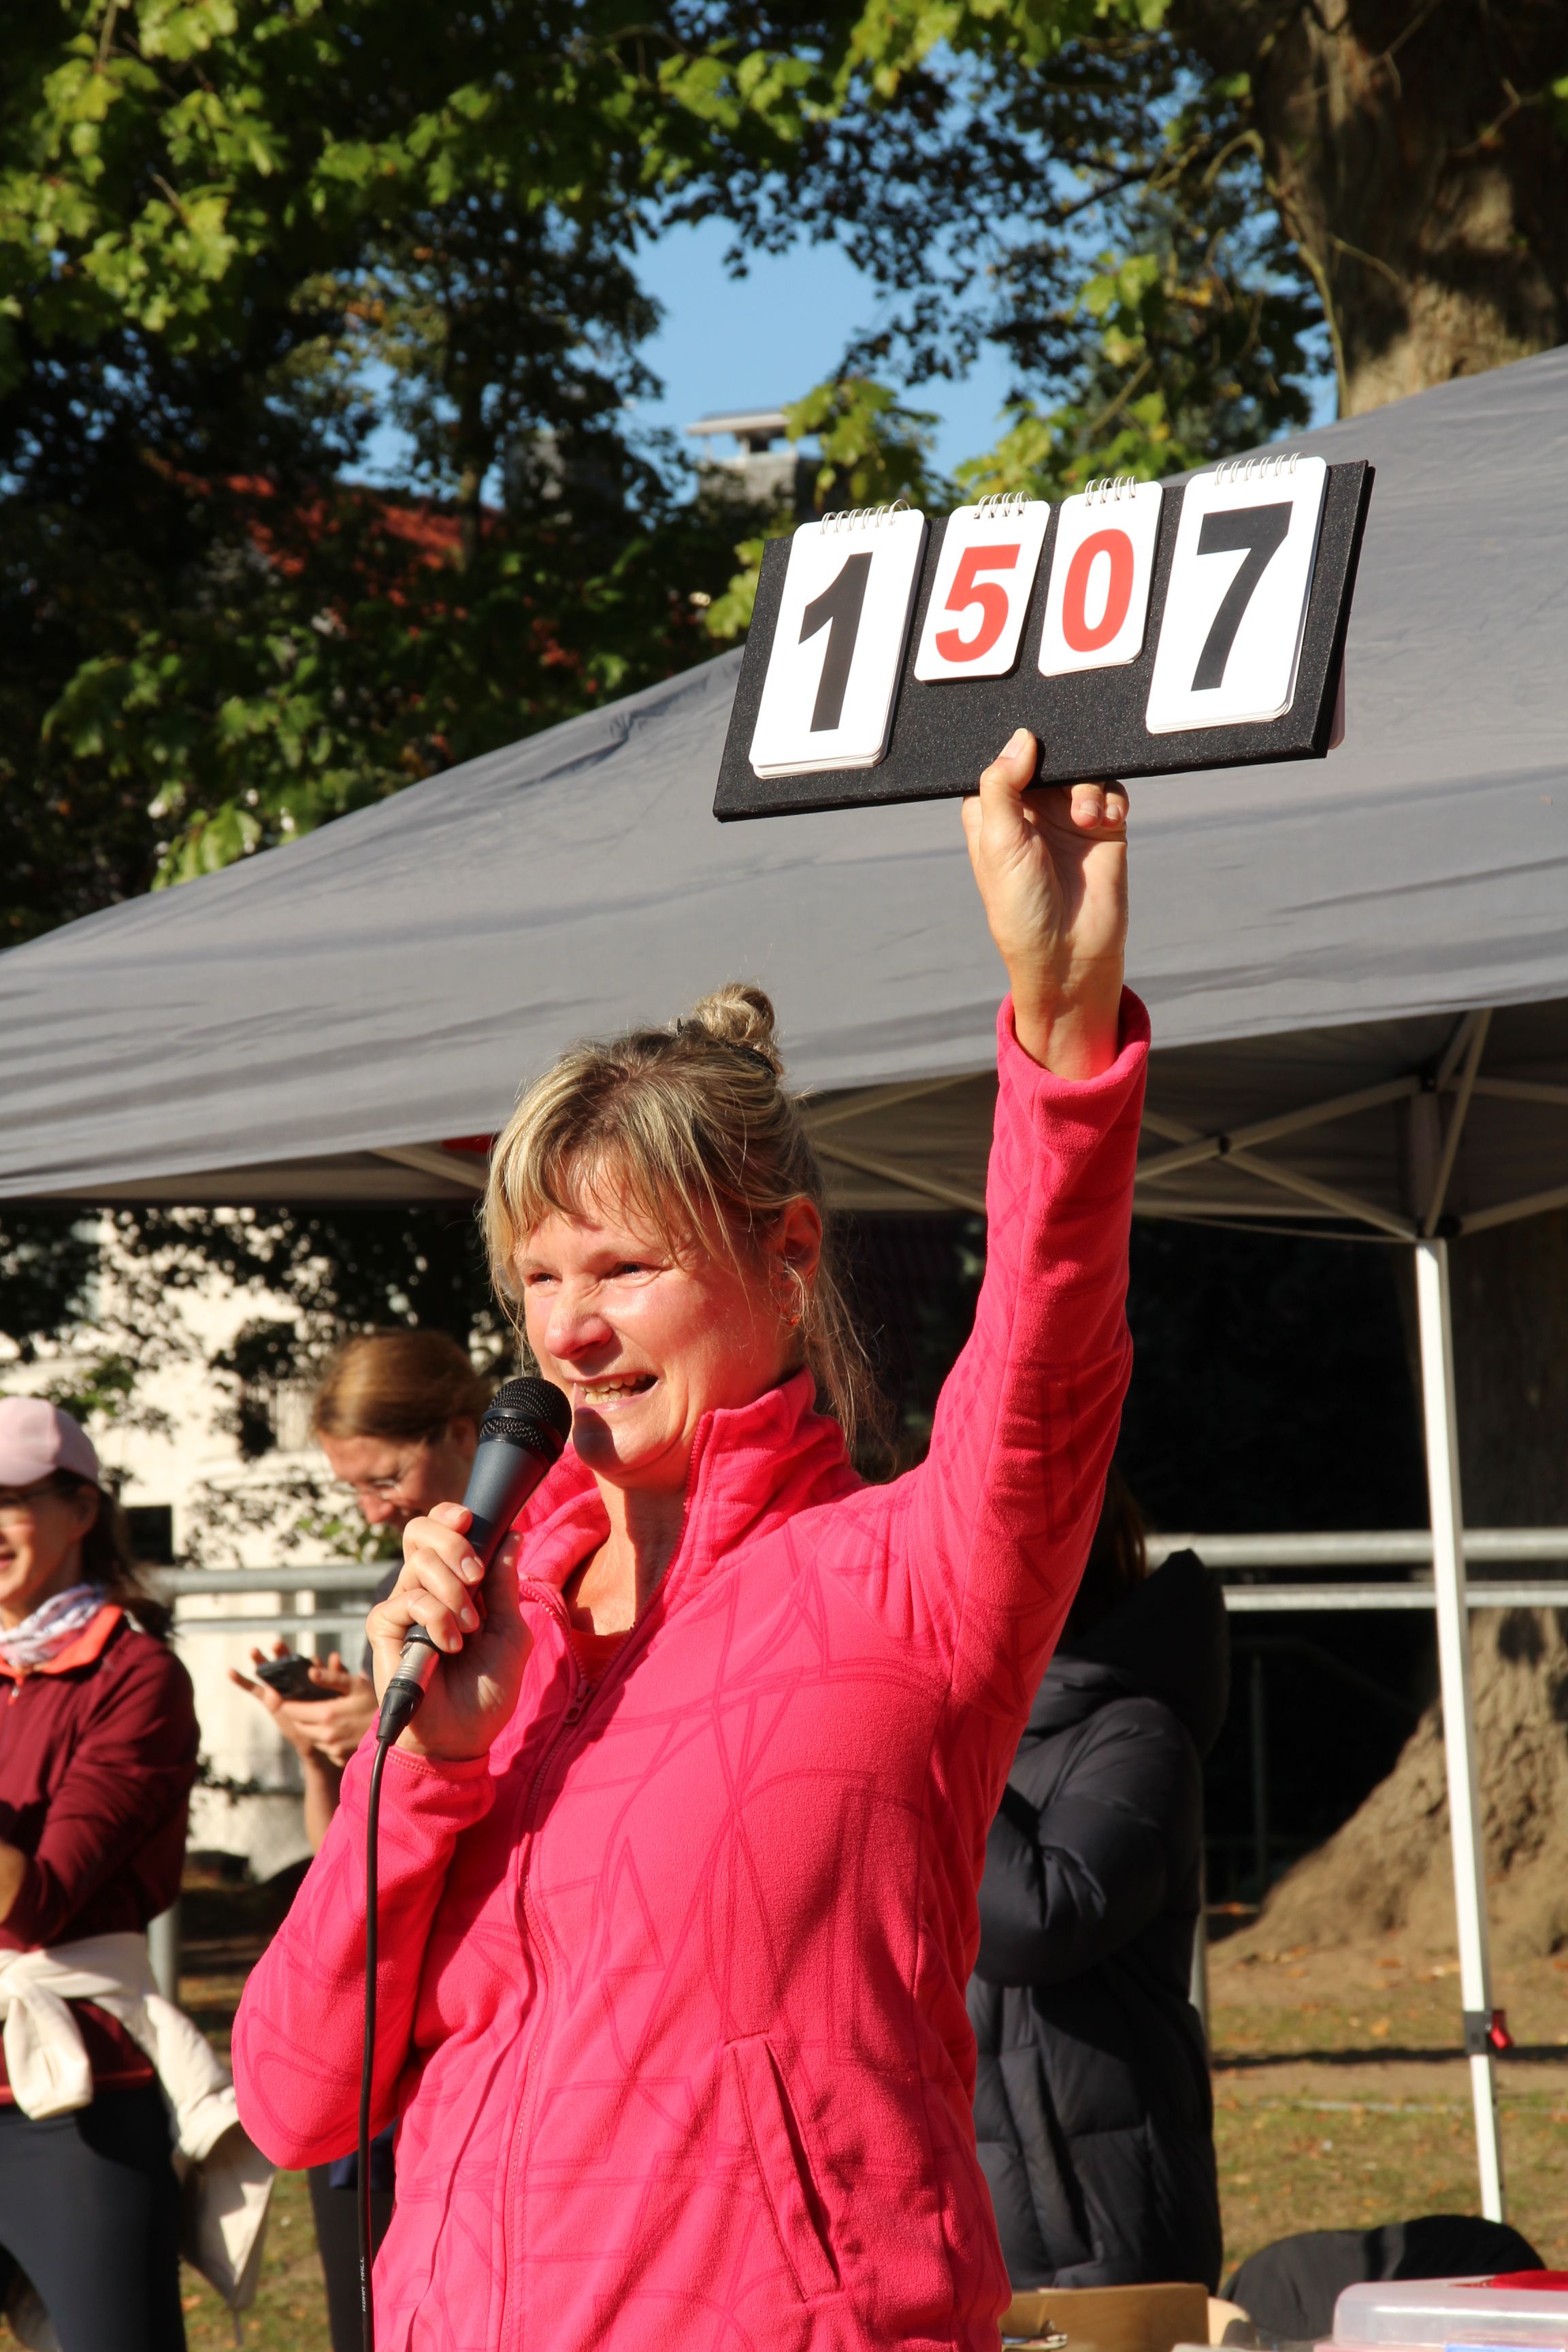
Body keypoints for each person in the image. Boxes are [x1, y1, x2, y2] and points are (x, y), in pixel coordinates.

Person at [233, 730, 1147, 2350]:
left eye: (623, 1269)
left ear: (786, 1257)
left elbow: (1043, 1363)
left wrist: (1062, 1031)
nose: (569, 1330)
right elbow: (298, 2095)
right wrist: (422, 1763)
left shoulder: (906, 1577)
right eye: (539, 1277)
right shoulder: (491, 1624)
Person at [229, 1328, 489, 2352]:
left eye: (386, 1478)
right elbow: (336, 1862)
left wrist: (415, 1747)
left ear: (464, 1433)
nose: (375, 1509)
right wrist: (331, 1754)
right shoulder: (404, 1595)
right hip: (382, 2038)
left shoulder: (551, 1574)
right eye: (355, 1489)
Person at [968, 1468, 1228, 2292]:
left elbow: (1040, 1920)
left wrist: (934, 1740)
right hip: (970, 2220)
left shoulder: (1140, 1734)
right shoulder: (975, 1731)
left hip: (1104, 2234)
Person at [0, 1396, 198, 2352]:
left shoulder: (137, 1675)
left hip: (75, 2099)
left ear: (83, 1510)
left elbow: (37, 1903)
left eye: (8, 1500)